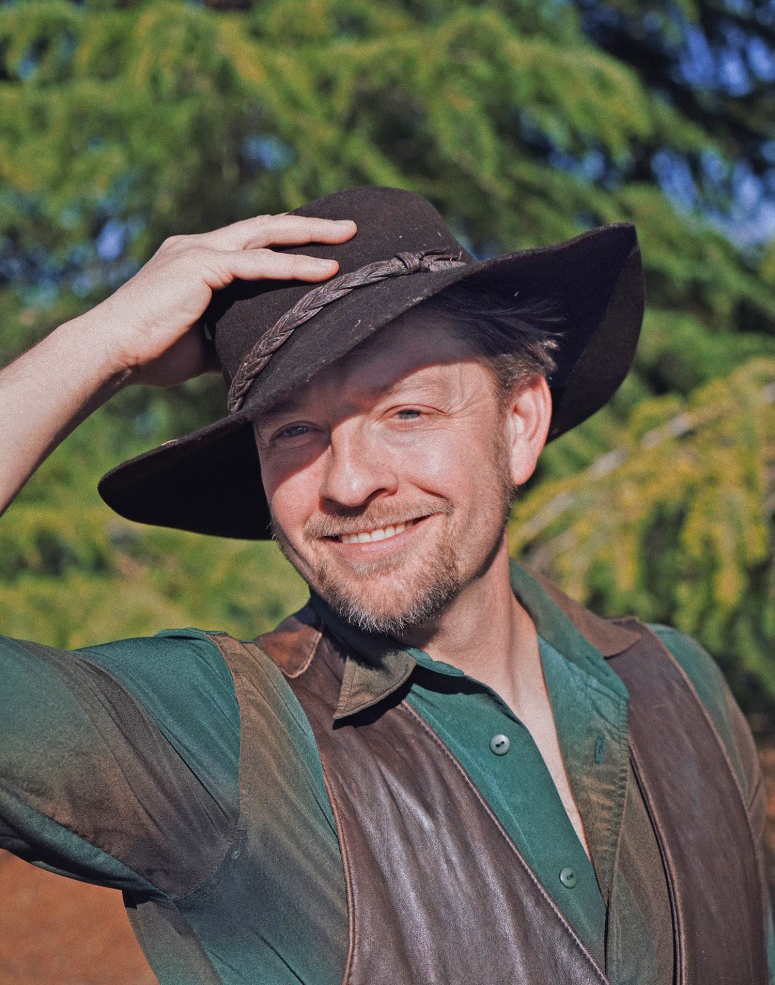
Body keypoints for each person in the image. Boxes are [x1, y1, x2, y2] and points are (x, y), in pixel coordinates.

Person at [0, 186, 772, 985]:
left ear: (518, 425)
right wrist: (101, 344)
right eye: (294, 431)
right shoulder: (228, 739)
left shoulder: (681, 686)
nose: (348, 482)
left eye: (406, 413)